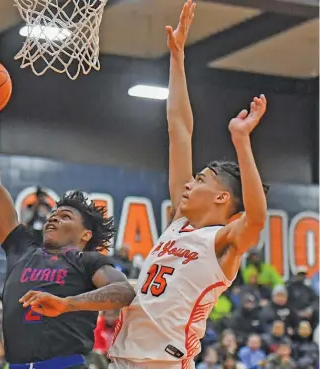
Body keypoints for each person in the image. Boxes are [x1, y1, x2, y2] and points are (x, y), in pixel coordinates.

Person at [16, 2, 270, 369]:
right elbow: (179, 129)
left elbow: (257, 217)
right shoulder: (178, 225)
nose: (188, 184)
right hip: (121, 356)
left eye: (199, 180)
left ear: (221, 197)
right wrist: (177, 57)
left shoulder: (223, 242)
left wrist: (242, 140)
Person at [0, 90, 136, 369]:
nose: (53, 218)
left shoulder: (88, 261)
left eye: (65, 216)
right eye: (53, 214)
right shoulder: (22, 247)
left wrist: (67, 304)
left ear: (85, 235)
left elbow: (124, 291)